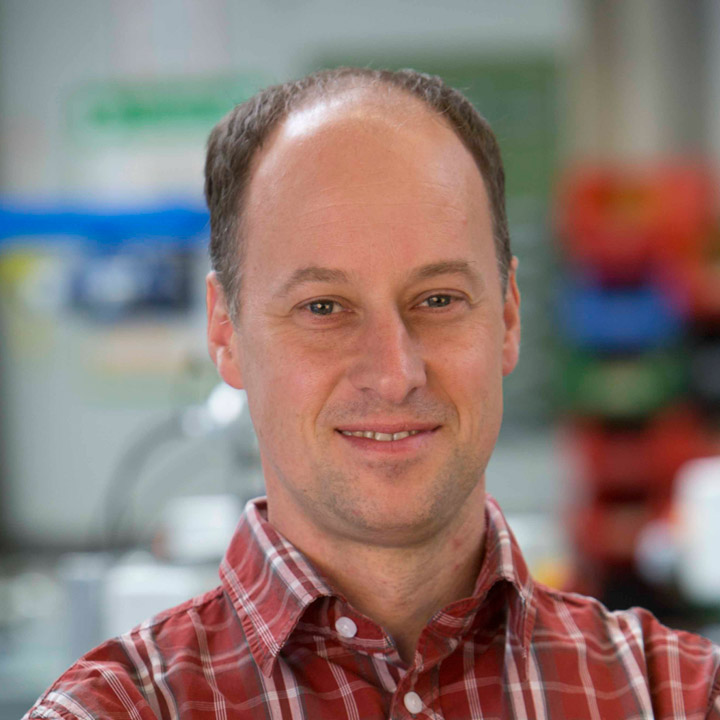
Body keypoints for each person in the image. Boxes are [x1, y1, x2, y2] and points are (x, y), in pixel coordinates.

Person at [26, 67, 720, 720]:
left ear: (508, 317)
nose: (395, 373)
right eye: (324, 308)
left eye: (439, 299)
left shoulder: (677, 696)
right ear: (225, 331)